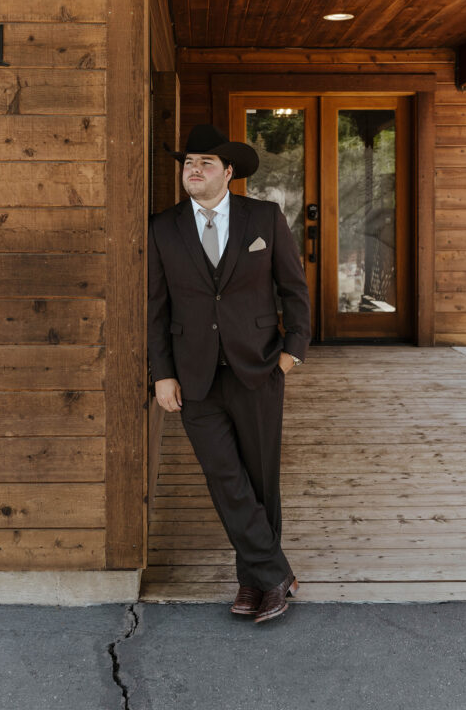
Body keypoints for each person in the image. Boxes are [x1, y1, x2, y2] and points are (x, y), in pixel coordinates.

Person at [147, 124, 311, 623]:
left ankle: (253, 581)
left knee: (260, 479)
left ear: (228, 173)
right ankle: (275, 574)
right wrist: (162, 373)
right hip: (193, 373)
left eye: (205, 163)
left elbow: (294, 288)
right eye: (187, 163)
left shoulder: (263, 217)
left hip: (258, 366)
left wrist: (292, 352)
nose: (192, 170)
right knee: (224, 477)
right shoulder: (163, 226)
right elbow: (155, 306)